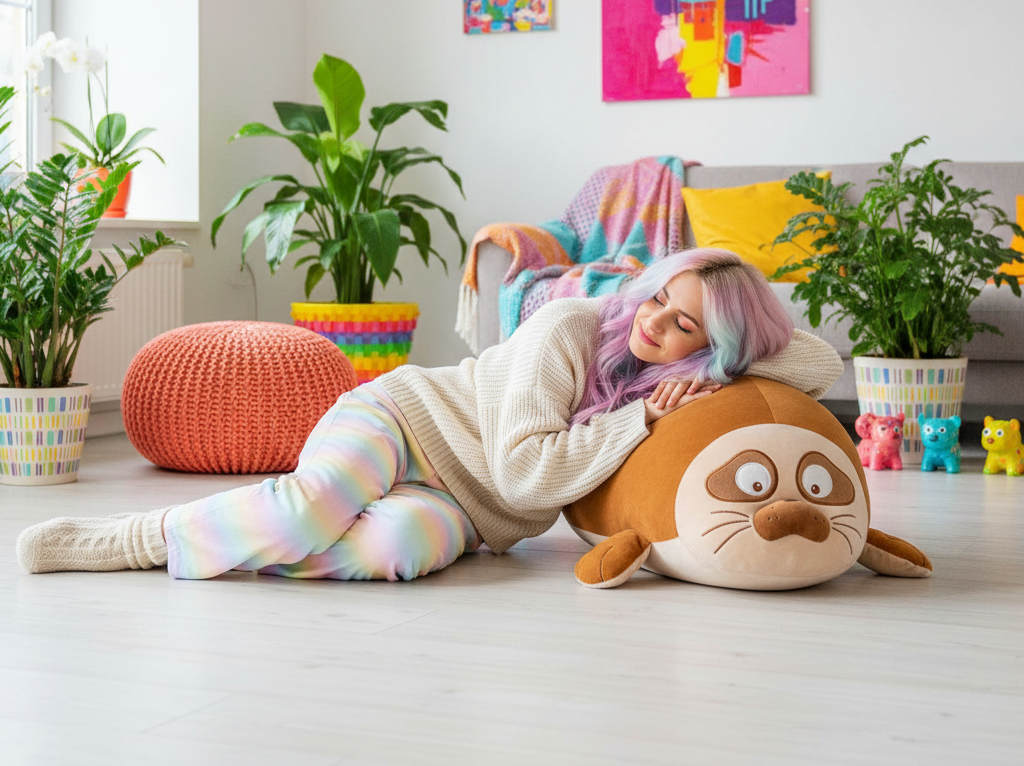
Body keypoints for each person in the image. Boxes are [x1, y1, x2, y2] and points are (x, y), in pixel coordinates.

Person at [16, 248, 843, 582]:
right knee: (309, 507)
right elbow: (526, 468)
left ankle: (244, 538)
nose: (654, 321)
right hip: (405, 417)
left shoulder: (690, 376)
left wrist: (727, 356)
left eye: (685, 324)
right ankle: (133, 540)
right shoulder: (575, 324)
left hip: (473, 512)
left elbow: (820, 362)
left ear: (717, 347)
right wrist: (640, 424)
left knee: (396, 550)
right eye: (661, 296)